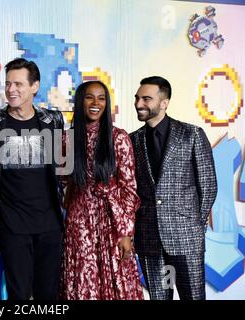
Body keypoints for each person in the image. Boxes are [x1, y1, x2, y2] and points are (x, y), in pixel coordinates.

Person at [0, 58, 65, 300]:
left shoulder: (53, 120)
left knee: (48, 294)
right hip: (12, 226)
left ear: (34, 86)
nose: (11, 90)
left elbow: (61, 169)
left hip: (50, 225)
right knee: (18, 293)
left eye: (18, 84)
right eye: (7, 84)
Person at [130, 76, 217, 300]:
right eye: (137, 98)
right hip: (149, 238)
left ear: (164, 102)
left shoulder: (191, 134)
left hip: (186, 238)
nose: (139, 103)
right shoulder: (132, 140)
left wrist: (195, 226)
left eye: (146, 98)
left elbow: (208, 185)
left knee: (193, 297)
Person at [60, 81, 143, 300]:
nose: (96, 103)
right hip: (79, 225)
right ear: (80, 101)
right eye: (89, 97)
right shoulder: (66, 140)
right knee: (83, 285)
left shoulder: (119, 138)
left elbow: (130, 190)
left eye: (101, 98)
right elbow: (62, 184)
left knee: (117, 286)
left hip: (111, 223)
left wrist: (125, 232)